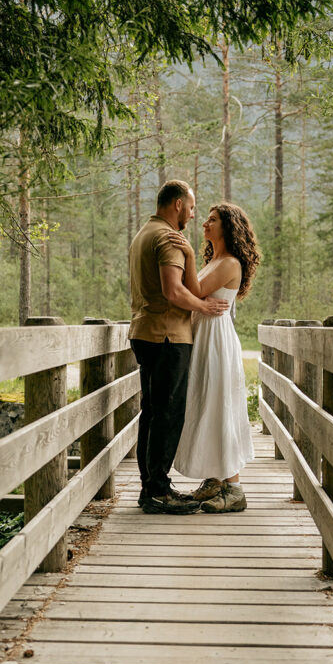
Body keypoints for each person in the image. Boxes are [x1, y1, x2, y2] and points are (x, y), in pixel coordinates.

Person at [129, 180, 229, 514]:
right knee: (168, 414)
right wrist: (203, 307)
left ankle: (150, 488)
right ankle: (159, 491)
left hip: (145, 331)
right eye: (191, 206)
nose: (192, 213)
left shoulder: (145, 233)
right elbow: (174, 292)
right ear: (177, 204)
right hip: (167, 335)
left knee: (153, 412)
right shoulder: (168, 238)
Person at [170, 202, 260, 513]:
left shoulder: (230, 263)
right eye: (206, 219)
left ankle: (234, 488)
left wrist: (187, 255)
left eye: (211, 220)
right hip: (204, 335)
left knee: (220, 405)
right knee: (205, 402)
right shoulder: (216, 259)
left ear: (227, 227)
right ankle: (215, 479)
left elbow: (192, 288)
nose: (204, 224)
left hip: (217, 340)